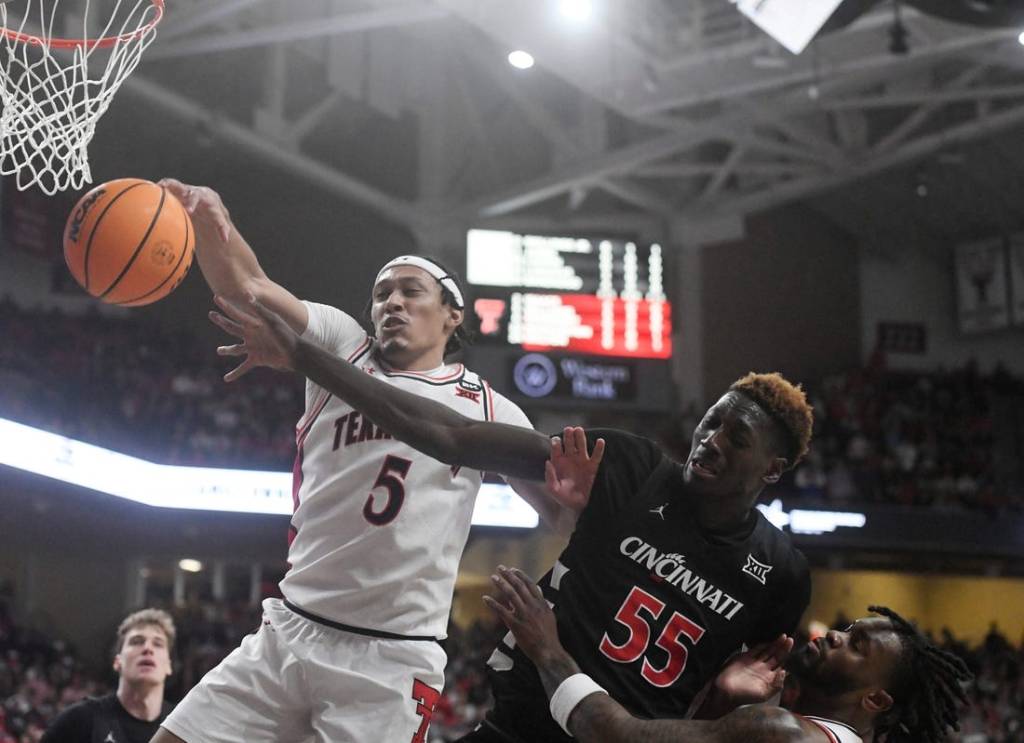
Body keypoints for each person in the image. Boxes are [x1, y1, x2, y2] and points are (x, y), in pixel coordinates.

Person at [206, 294, 816, 743]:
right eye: (712, 421)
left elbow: (729, 725)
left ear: (772, 469)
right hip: (517, 726)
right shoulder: (626, 466)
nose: (711, 440)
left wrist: (728, 697)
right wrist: (306, 358)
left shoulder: (781, 574)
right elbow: (451, 433)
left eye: (738, 439)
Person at [152, 181, 551, 743]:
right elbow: (248, 289)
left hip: (390, 658)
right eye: (382, 292)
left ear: (452, 314)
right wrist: (210, 218)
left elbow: (556, 503)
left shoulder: (491, 408)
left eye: (411, 291)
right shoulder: (343, 348)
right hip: (290, 629)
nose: (393, 302)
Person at [484, 565, 972, 743]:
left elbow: (615, 735)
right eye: (848, 628)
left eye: (857, 647)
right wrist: (720, 702)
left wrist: (546, 648)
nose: (836, 636)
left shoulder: (781, 733)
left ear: (877, 700)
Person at [41, 609, 175, 743]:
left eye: (158, 644)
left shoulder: (182, 725)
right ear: (118, 662)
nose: (147, 648)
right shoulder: (80, 719)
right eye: (137, 641)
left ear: (169, 665)